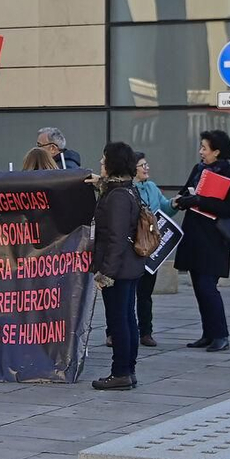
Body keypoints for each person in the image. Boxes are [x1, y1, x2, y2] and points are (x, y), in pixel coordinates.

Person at [172, 129, 230, 353]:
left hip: (214, 239)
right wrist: (183, 199)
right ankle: (208, 334)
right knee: (198, 288)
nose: (201, 152)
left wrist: (200, 201)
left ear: (217, 151)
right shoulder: (198, 169)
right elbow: (185, 192)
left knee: (207, 287)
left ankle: (221, 335)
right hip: (194, 236)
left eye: (204, 148)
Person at [90, 143, 147, 391]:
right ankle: (128, 370)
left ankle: (121, 372)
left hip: (118, 269)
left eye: (104, 160)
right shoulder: (127, 190)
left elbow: (116, 237)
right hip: (129, 266)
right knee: (127, 318)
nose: (101, 163)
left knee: (119, 320)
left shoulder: (118, 197)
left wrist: (106, 273)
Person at [132, 152, 171, 349]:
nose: (146, 168)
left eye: (146, 164)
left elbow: (166, 207)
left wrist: (176, 203)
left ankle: (146, 332)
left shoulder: (152, 187)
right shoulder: (128, 190)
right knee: (125, 294)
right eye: (142, 165)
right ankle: (114, 332)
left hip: (150, 248)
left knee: (145, 294)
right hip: (132, 247)